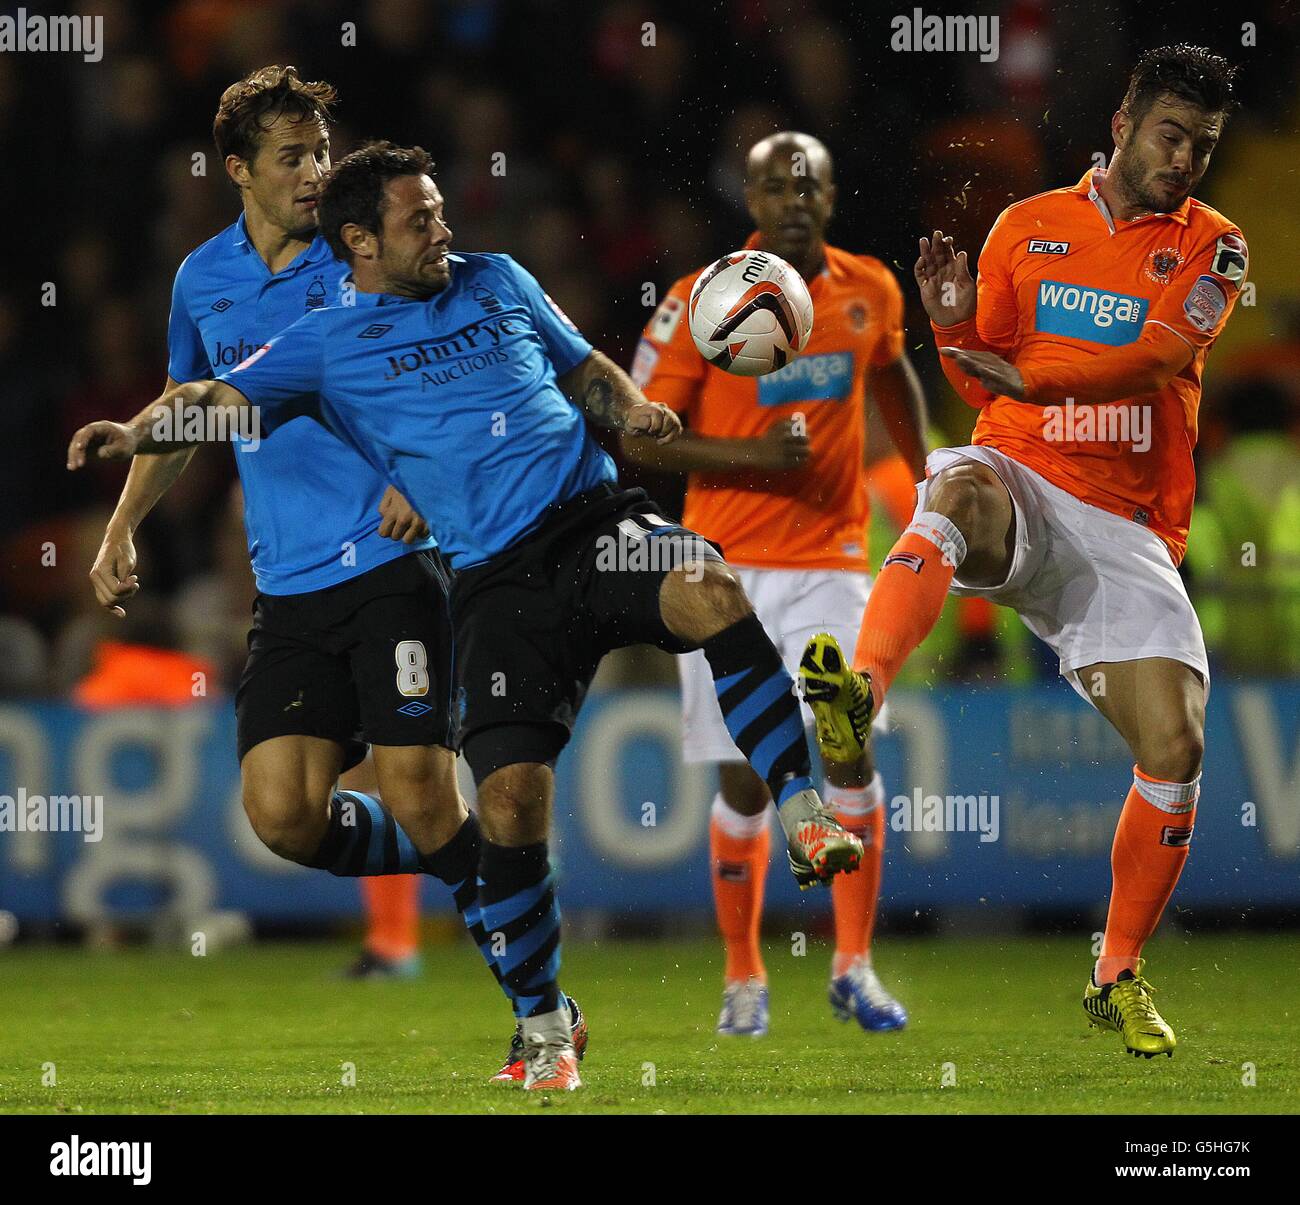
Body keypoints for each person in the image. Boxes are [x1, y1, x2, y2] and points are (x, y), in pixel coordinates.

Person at [67, 141, 866, 1092]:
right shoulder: (326, 340)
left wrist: (634, 404)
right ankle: (544, 1029)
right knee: (509, 803)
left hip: (594, 524)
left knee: (709, 587)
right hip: (496, 582)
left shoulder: (496, 280)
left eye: (440, 210)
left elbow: (585, 370)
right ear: (360, 241)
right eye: (420, 219)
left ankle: (806, 809)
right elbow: (214, 398)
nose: (443, 229)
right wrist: (136, 430)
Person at [80, 67, 551, 1078]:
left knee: (417, 781)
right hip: (288, 584)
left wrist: (425, 480)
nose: (314, 172)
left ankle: (540, 1008)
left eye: (322, 153)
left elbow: (461, 372)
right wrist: (122, 523)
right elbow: (189, 403)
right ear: (238, 170)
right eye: (292, 157)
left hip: (395, 559)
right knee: (283, 814)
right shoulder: (201, 281)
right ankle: (480, 860)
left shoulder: (364, 260)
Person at [799, 46, 1247, 1058]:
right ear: (1126, 119)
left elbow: (1155, 359)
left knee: (1175, 750)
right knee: (953, 486)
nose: (1184, 160)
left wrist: (1025, 376)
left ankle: (1115, 970)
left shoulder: (1214, 249)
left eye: (1203, 147)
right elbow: (975, 369)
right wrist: (950, 320)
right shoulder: (1025, 226)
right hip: (1023, 481)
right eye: (1171, 134)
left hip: (1127, 529)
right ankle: (858, 693)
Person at [622, 132, 927, 1036]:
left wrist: (932, 469)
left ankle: (854, 964)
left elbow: (892, 377)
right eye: (777, 185)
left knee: (847, 741)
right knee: (749, 782)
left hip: (832, 558)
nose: (795, 198)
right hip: (720, 573)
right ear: (748, 197)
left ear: (831, 197)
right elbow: (642, 434)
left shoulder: (868, 289)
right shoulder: (697, 302)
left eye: (812, 185)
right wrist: (752, 456)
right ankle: (745, 973)